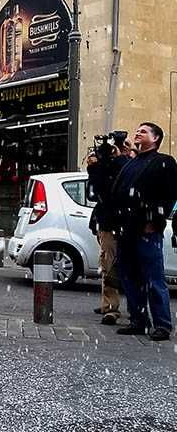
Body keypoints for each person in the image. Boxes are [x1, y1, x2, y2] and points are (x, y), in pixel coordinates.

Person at [110, 122, 177, 341]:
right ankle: (138, 320)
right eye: (137, 130)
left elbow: (169, 195)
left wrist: (154, 220)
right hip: (126, 229)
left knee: (153, 278)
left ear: (156, 138)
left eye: (144, 131)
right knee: (129, 277)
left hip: (147, 229)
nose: (138, 133)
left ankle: (162, 325)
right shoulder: (131, 163)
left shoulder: (163, 162)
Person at [85, 131, 130, 326]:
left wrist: (121, 158)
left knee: (111, 265)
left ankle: (112, 307)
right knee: (107, 263)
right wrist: (95, 167)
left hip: (119, 222)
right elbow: (97, 189)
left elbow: (114, 187)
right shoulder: (106, 168)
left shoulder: (126, 166)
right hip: (108, 223)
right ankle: (109, 305)